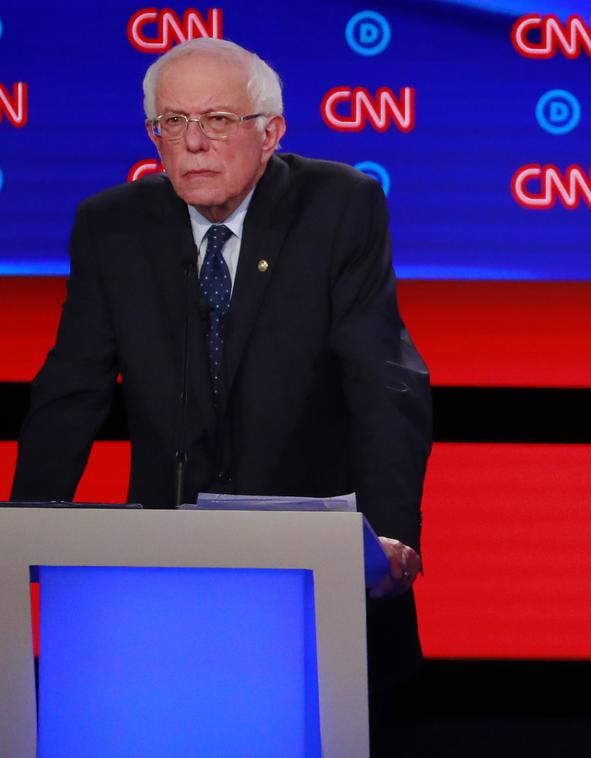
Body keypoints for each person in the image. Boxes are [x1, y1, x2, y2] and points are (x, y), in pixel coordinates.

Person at [10, 37, 431, 749]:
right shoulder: (112, 224)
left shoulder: (338, 205)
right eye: (171, 123)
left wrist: (389, 536)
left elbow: (382, 378)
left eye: (217, 120)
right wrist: (20, 528)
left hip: (307, 553)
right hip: (166, 571)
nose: (193, 143)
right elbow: (72, 386)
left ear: (270, 134)